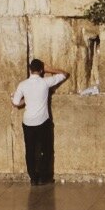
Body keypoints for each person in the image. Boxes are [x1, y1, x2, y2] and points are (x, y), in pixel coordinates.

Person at [12, 58, 69, 186]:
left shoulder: (23, 84)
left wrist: (25, 101)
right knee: (46, 150)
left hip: (28, 122)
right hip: (43, 122)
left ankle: (33, 178)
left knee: (30, 150)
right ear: (41, 70)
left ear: (30, 70)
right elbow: (64, 74)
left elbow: (15, 103)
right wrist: (50, 69)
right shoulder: (45, 82)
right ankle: (44, 177)